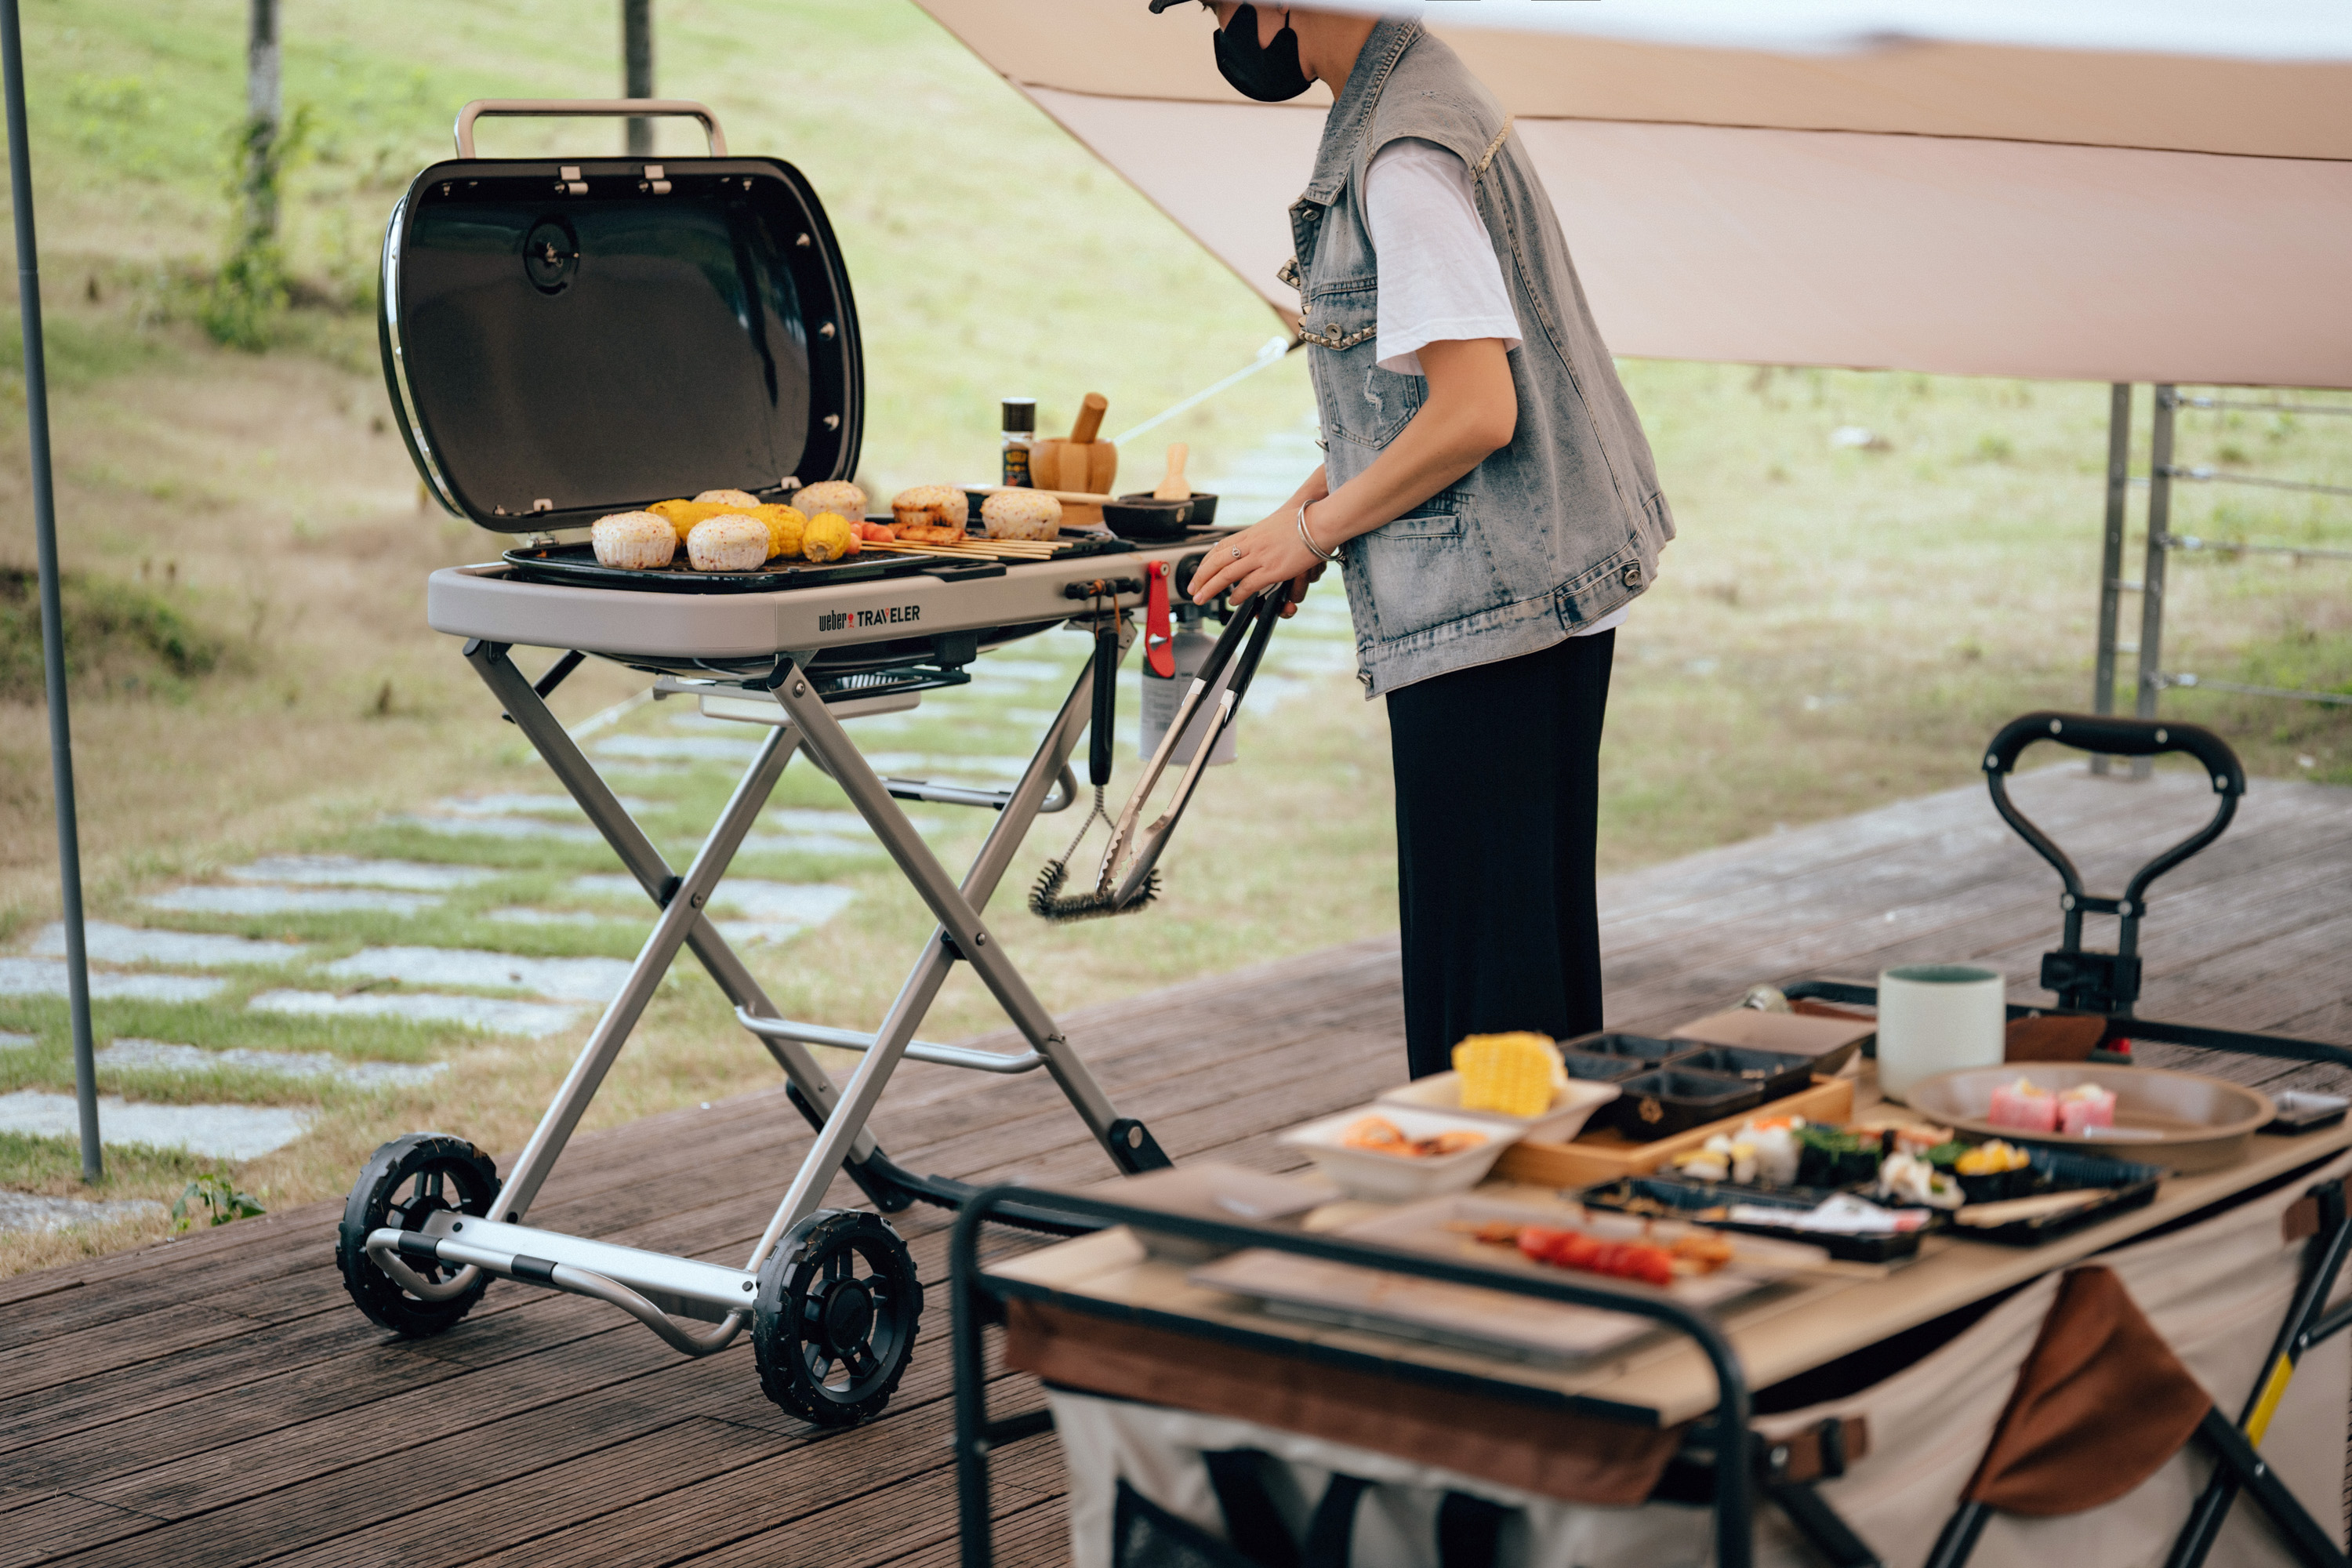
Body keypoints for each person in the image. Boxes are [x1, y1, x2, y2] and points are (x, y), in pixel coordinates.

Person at [1161, 2, 1676, 1078]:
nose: (1223, 29)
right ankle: (1535, 1169)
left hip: (1495, 604)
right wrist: (1296, 523)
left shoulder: (1400, 157)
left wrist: (1316, 531)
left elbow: (1477, 412)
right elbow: (1421, 403)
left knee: (1483, 1002)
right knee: (1528, 974)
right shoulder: (1424, 91)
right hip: (1537, 584)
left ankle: (1489, 1179)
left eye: (1216, 4)